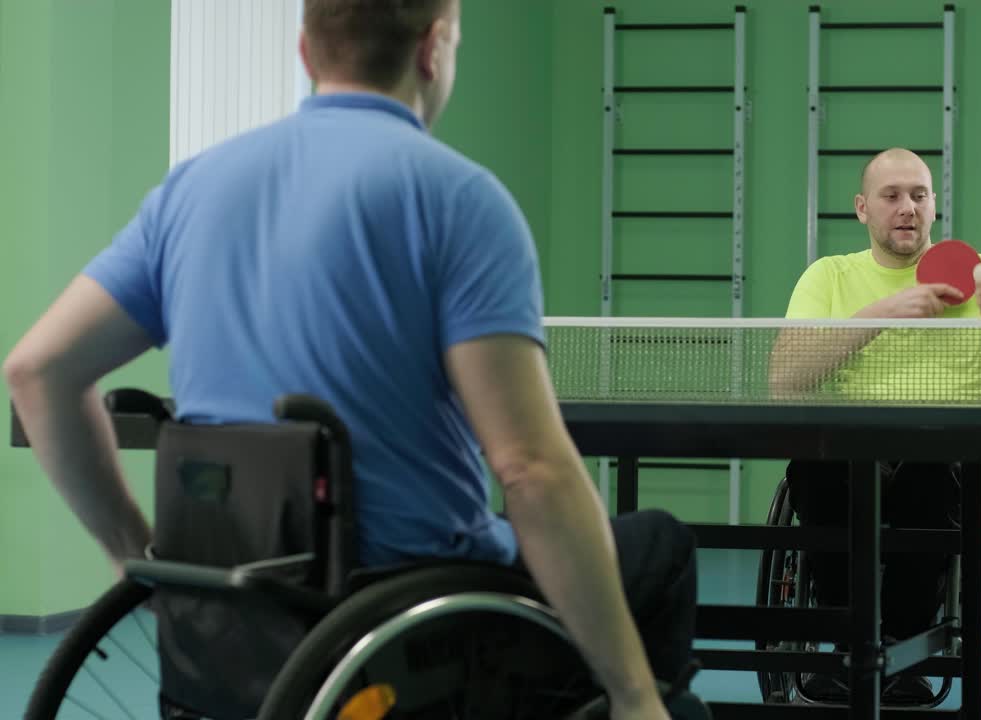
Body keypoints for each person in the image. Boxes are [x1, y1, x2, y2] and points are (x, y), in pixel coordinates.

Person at [3, 1, 693, 717]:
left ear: (307, 51)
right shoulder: (458, 199)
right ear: (433, 49)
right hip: (412, 611)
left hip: (227, 606)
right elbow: (530, 471)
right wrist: (634, 694)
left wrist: (138, 556)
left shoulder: (190, 189)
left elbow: (37, 371)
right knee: (660, 549)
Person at [768, 148, 981, 705]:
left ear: (934, 204)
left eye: (919, 194)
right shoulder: (829, 276)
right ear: (862, 208)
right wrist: (880, 314)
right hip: (856, 447)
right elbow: (785, 380)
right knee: (814, 471)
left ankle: (907, 649)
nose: (907, 207)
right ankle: (848, 640)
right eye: (892, 196)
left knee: (931, 473)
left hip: (957, 450)